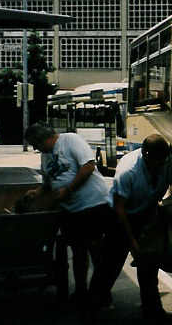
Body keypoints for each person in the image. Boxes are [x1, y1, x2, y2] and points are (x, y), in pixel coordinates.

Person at [96, 134, 172, 320]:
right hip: (120, 216)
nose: (159, 166)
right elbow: (119, 208)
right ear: (145, 154)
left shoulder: (168, 162)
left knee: (149, 263)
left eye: (163, 161)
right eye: (155, 161)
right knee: (110, 264)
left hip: (148, 212)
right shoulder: (128, 170)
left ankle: (152, 310)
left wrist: (169, 202)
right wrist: (132, 241)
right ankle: (94, 303)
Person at [23, 123, 112, 304]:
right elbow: (50, 182)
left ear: (45, 138)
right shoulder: (45, 155)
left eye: (35, 143)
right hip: (70, 209)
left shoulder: (70, 140)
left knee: (96, 250)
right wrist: (38, 192)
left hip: (92, 204)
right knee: (78, 252)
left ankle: (102, 294)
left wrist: (68, 190)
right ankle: (81, 292)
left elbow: (88, 166)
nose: (35, 148)